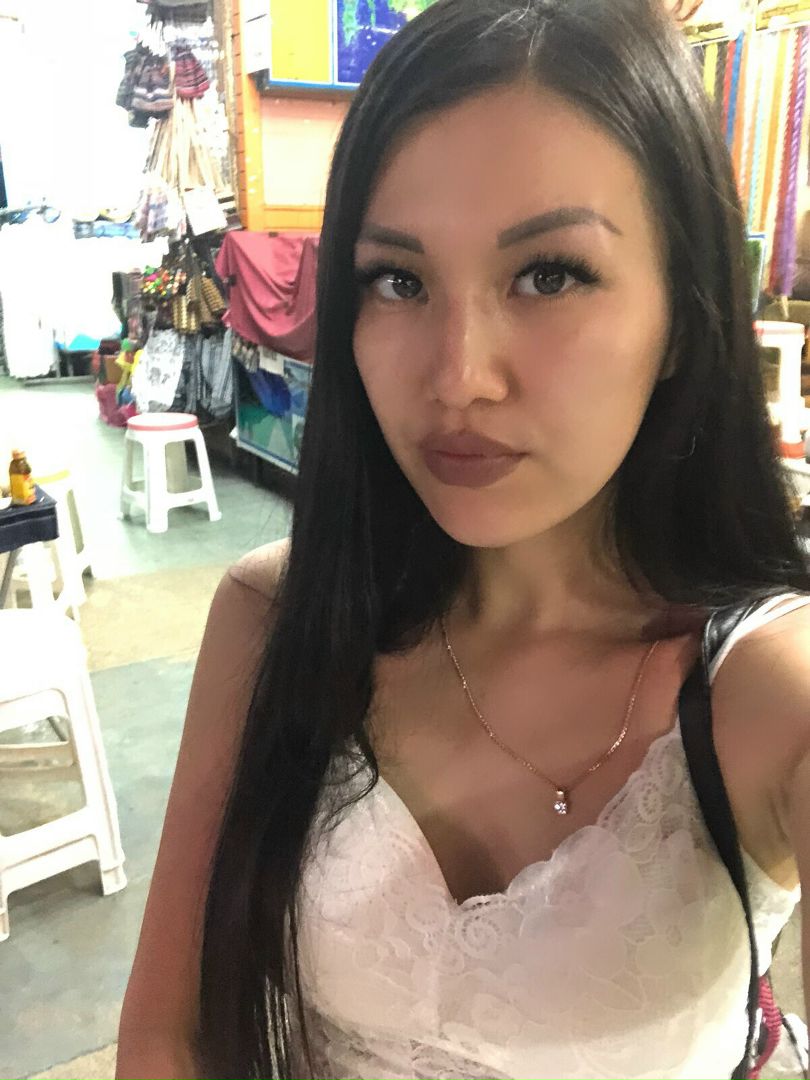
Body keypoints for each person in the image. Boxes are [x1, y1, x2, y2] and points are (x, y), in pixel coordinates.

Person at [116, 1, 810, 1077]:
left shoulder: (766, 693)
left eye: (549, 274)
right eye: (398, 281)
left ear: (683, 313)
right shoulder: (277, 619)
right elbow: (172, 1034)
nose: (457, 377)